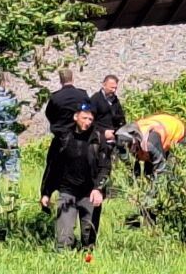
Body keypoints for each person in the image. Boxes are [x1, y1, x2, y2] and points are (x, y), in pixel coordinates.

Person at [40, 103, 111, 250]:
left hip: (90, 193)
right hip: (67, 192)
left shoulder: (98, 138)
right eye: (84, 118)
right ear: (75, 117)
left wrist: (98, 188)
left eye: (90, 119)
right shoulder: (63, 138)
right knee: (64, 239)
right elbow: (52, 166)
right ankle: (63, 265)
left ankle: (88, 264)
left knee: (88, 239)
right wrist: (46, 192)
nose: (87, 122)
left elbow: (105, 167)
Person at [114, 113, 186, 180]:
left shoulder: (150, 143)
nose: (130, 151)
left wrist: (154, 191)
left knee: (171, 171)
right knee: (139, 172)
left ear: (135, 142)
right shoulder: (122, 139)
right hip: (160, 120)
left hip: (176, 131)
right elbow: (127, 161)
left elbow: (161, 167)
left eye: (130, 146)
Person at [44, 68, 89, 173]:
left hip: (60, 139)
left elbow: (49, 114)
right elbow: (88, 113)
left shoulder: (55, 97)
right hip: (80, 139)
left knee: (53, 170)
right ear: (73, 78)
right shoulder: (82, 95)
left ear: (60, 80)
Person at [88, 74, 126, 144]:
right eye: (111, 88)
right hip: (101, 138)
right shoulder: (95, 99)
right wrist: (103, 132)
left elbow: (121, 118)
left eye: (115, 88)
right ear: (104, 85)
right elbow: (90, 121)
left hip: (115, 136)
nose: (114, 90)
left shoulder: (115, 100)